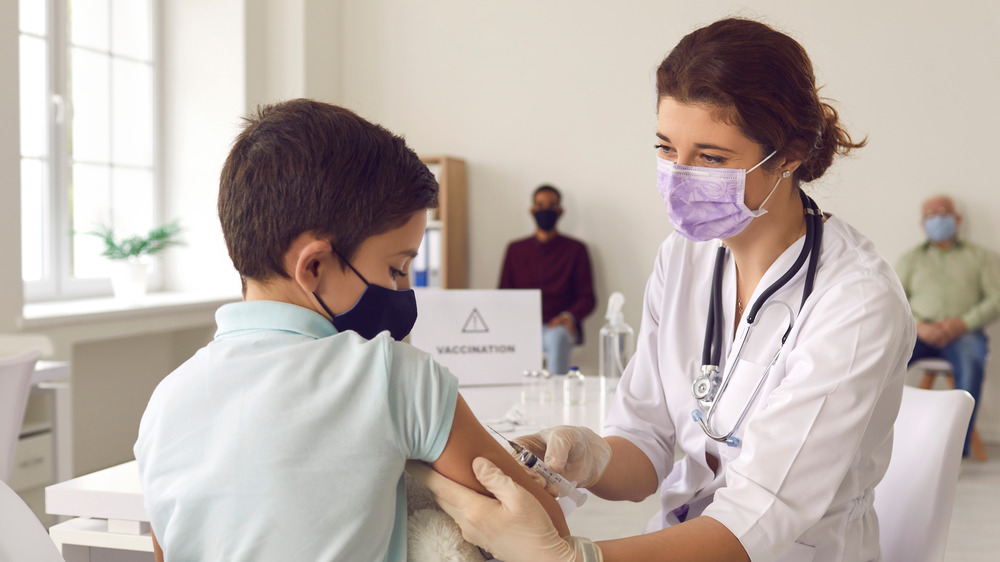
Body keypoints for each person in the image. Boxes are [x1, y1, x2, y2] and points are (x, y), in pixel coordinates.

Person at [413, 18, 915, 562]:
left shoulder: (856, 303)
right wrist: (586, 454)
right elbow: (646, 448)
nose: (679, 176)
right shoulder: (684, 257)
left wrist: (578, 558)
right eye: (665, 147)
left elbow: (757, 517)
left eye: (711, 158)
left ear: (789, 155)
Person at [132, 99, 569, 561]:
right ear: (315, 265)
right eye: (397, 268)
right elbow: (545, 532)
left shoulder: (164, 404)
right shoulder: (392, 374)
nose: (402, 289)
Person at [896, 195, 1000, 457]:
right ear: (923, 223)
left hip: (963, 334)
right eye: (931, 214)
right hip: (918, 334)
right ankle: (892, 441)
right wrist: (919, 326)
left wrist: (964, 323)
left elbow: (997, 298)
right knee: (886, 362)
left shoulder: (982, 257)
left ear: (958, 219)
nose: (937, 218)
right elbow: (894, 300)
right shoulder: (910, 260)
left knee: (971, 364)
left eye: (943, 212)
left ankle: (955, 451)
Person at [499, 184, 596, 374]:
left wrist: (568, 316)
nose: (546, 210)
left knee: (558, 337)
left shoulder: (576, 249)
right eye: (540, 205)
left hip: (558, 326)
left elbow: (587, 297)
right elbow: (504, 293)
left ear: (560, 211)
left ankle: (557, 393)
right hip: (523, 325)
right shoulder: (516, 249)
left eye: (551, 206)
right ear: (532, 210)